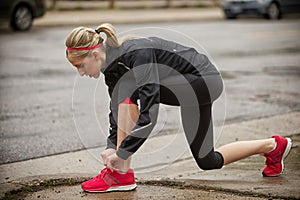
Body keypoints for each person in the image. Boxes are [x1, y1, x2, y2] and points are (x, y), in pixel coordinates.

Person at [65, 23, 293, 193]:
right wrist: (110, 146)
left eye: (81, 66)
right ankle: (273, 146)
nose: (81, 73)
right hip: (189, 88)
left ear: (95, 54)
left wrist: (122, 153)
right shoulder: (113, 70)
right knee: (207, 160)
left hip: (204, 81)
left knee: (129, 91)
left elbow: (149, 116)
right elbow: (115, 111)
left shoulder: (136, 54)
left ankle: (120, 174)